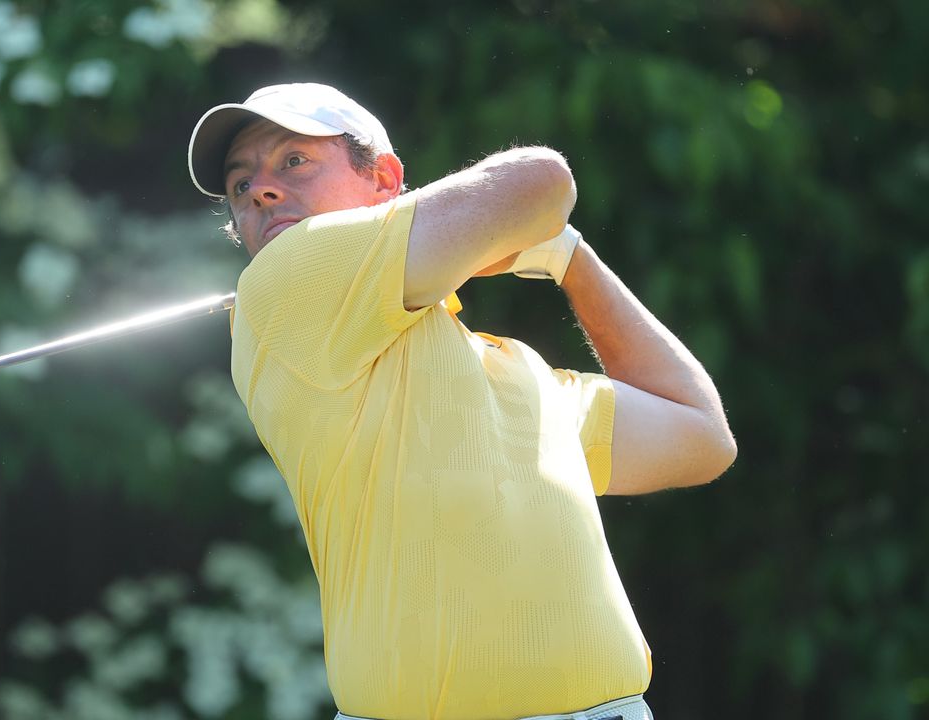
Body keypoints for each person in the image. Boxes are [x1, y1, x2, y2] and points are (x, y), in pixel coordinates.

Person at [187, 82, 736, 720]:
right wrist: (523, 233)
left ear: (385, 179)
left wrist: (571, 259)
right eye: (240, 186)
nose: (260, 190)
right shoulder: (284, 282)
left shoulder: (517, 372)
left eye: (293, 162)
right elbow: (541, 181)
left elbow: (702, 438)